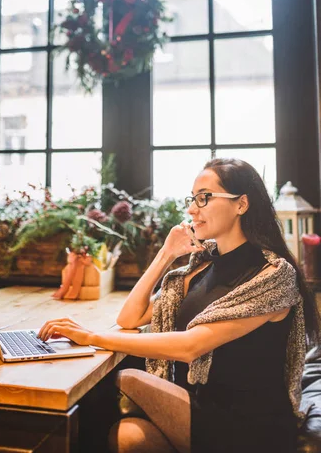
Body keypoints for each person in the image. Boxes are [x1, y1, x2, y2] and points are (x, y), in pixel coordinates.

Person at [38, 158, 320, 453]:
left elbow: (190, 346)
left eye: (204, 198)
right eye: (192, 199)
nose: (191, 209)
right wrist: (165, 254)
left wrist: (90, 337)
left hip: (252, 424)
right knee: (128, 437)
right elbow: (131, 316)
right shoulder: (198, 269)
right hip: (200, 405)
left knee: (125, 379)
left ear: (242, 204)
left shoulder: (274, 276)